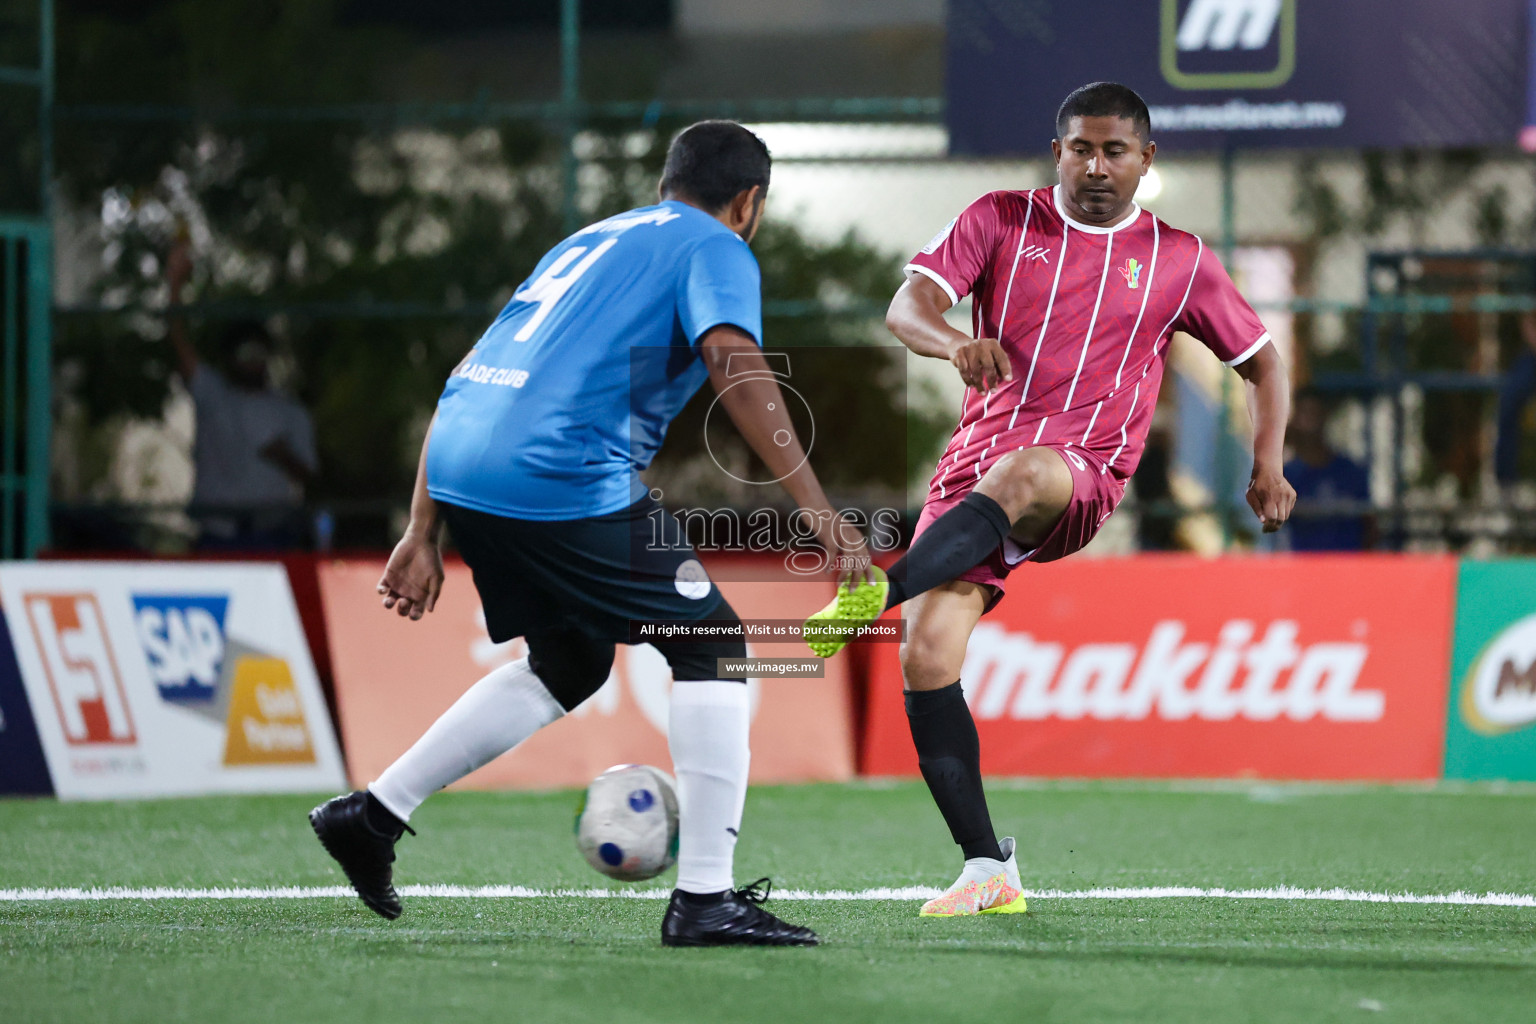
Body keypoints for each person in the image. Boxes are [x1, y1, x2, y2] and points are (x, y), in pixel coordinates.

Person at [309, 121, 871, 948]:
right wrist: (825, 520)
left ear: (664, 183)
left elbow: (469, 368)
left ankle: (371, 816)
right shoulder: (717, 245)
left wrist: (423, 525)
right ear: (748, 203)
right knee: (713, 645)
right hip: (558, 473)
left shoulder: (588, 241)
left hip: (467, 463)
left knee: (569, 662)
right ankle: (705, 901)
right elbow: (734, 364)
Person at [805, 82, 1295, 917]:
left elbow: (1263, 361)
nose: (1095, 165)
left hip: (1082, 472)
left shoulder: (1179, 259)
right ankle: (986, 869)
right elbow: (908, 305)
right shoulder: (999, 218)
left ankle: (877, 590)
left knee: (1029, 471)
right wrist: (956, 342)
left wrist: (1268, 463)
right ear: (1057, 150)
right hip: (974, 474)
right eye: (1080, 148)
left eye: (1113, 151)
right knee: (926, 660)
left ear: (1146, 159)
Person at [166, 244, 318, 548]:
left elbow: (311, 477)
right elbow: (177, 343)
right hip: (217, 533)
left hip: (273, 533)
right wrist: (173, 285)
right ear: (229, 357)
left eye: (259, 352)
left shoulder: (289, 411)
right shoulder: (212, 393)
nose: (251, 360)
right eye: (243, 352)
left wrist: (282, 456)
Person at [1283, 389, 1374, 551]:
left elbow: (1370, 524)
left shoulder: (1350, 472)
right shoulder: (1286, 476)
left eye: (1315, 413)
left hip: (1347, 567)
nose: (1311, 422)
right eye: (1305, 414)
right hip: (1301, 568)